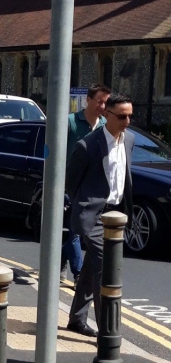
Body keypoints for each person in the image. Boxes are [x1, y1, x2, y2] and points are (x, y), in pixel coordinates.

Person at [65, 93, 134, 338]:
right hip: (93, 217)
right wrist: (84, 206)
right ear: (107, 115)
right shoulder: (87, 145)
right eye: (122, 116)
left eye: (130, 116)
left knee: (92, 268)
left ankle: (77, 318)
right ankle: (107, 334)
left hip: (117, 215)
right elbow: (71, 183)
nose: (127, 121)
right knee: (106, 268)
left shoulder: (129, 140)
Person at [62, 84, 111, 284]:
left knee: (73, 231)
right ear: (88, 100)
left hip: (91, 188)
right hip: (70, 186)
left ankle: (60, 262)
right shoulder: (71, 122)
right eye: (99, 101)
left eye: (106, 102)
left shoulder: (105, 125)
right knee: (75, 231)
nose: (102, 106)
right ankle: (79, 273)